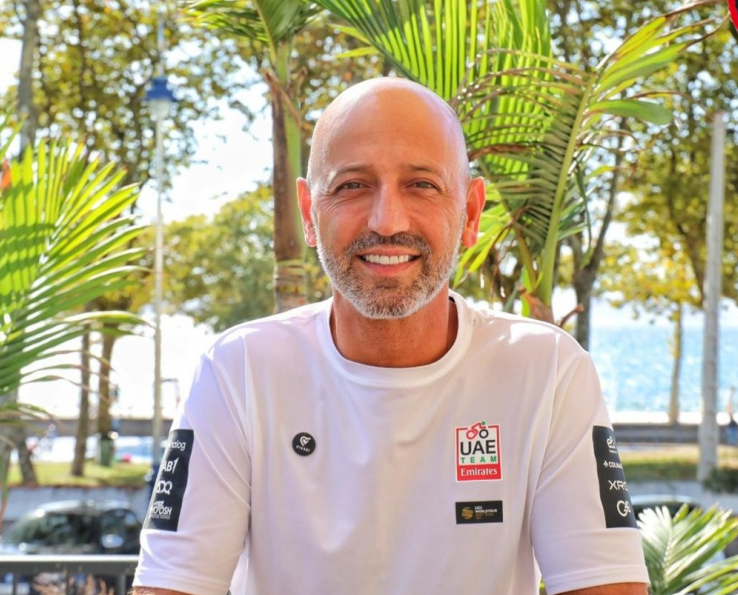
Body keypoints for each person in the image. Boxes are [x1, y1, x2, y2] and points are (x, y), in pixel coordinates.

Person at [132, 77, 649, 595]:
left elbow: (605, 585)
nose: (386, 221)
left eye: (422, 185)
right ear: (310, 213)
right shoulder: (237, 371)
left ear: (470, 213)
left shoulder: (549, 371)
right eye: (352, 185)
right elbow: (171, 586)